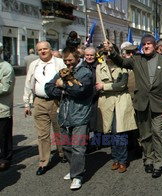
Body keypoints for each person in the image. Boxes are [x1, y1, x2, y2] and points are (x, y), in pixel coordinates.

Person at [103, 35, 162, 178]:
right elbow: (121, 62)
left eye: (149, 44)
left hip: (160, 104)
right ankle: (148, 158)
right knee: (145, 134)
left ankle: (159, 163)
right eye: (144, 44)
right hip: (142, 103)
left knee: (158, 133)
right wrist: (112, 51)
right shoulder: (137, 60)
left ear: (155, 46)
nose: (146, 46)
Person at [45, 46, 94, 190]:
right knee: (66, 145)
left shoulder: (85, 72)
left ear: (78, 57)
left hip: (80, 114)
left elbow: (81, 90)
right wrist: (62, 88)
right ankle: (74, 168)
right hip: (64, 115)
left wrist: (63, 86)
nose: (68, 63)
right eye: (65, 60)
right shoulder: (62, 72)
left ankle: (77, 176)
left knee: (78, 147)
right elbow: (49, 88)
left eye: (71, 60)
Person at [23, 41, 66, 176]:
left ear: (50, 50)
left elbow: (67, 78)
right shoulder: (34, 65)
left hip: (56, 101)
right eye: (40, 50)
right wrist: (27, 103)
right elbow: (28, 83)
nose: (42, 51)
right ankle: (43, 162)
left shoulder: (59, 62)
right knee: (42, 135)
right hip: (39, 102)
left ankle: (62, 153)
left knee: (59, 129)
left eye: (45, 49)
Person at [95, 45, 137, 174]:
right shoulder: (99, 67)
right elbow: (98, 85)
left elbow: (121, 85)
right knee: (110, 132)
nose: (107, 57)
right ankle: (115, 158)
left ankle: (122, 160)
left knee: (120, 131)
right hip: (106, 102)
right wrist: (107, 86)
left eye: (109, 54)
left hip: (121, 101)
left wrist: (105, 86)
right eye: (105, 54)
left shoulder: (123, 66)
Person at [0, 43, 15, 171]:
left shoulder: (6, 67)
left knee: (4, 136)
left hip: (2, 108)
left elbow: (5, 88)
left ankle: (5, 158)